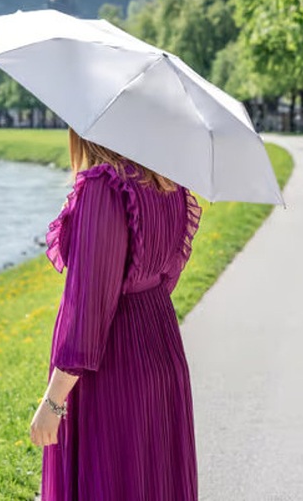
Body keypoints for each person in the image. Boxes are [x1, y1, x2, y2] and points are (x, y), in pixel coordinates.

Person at [30, 128, 202, 500]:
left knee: (110, 480)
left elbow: (90, 305)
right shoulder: (167, 183)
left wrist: (54, 401)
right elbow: (165, 276)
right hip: (161, 345)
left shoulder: (103, 187)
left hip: (112, 365)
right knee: (152, 480)